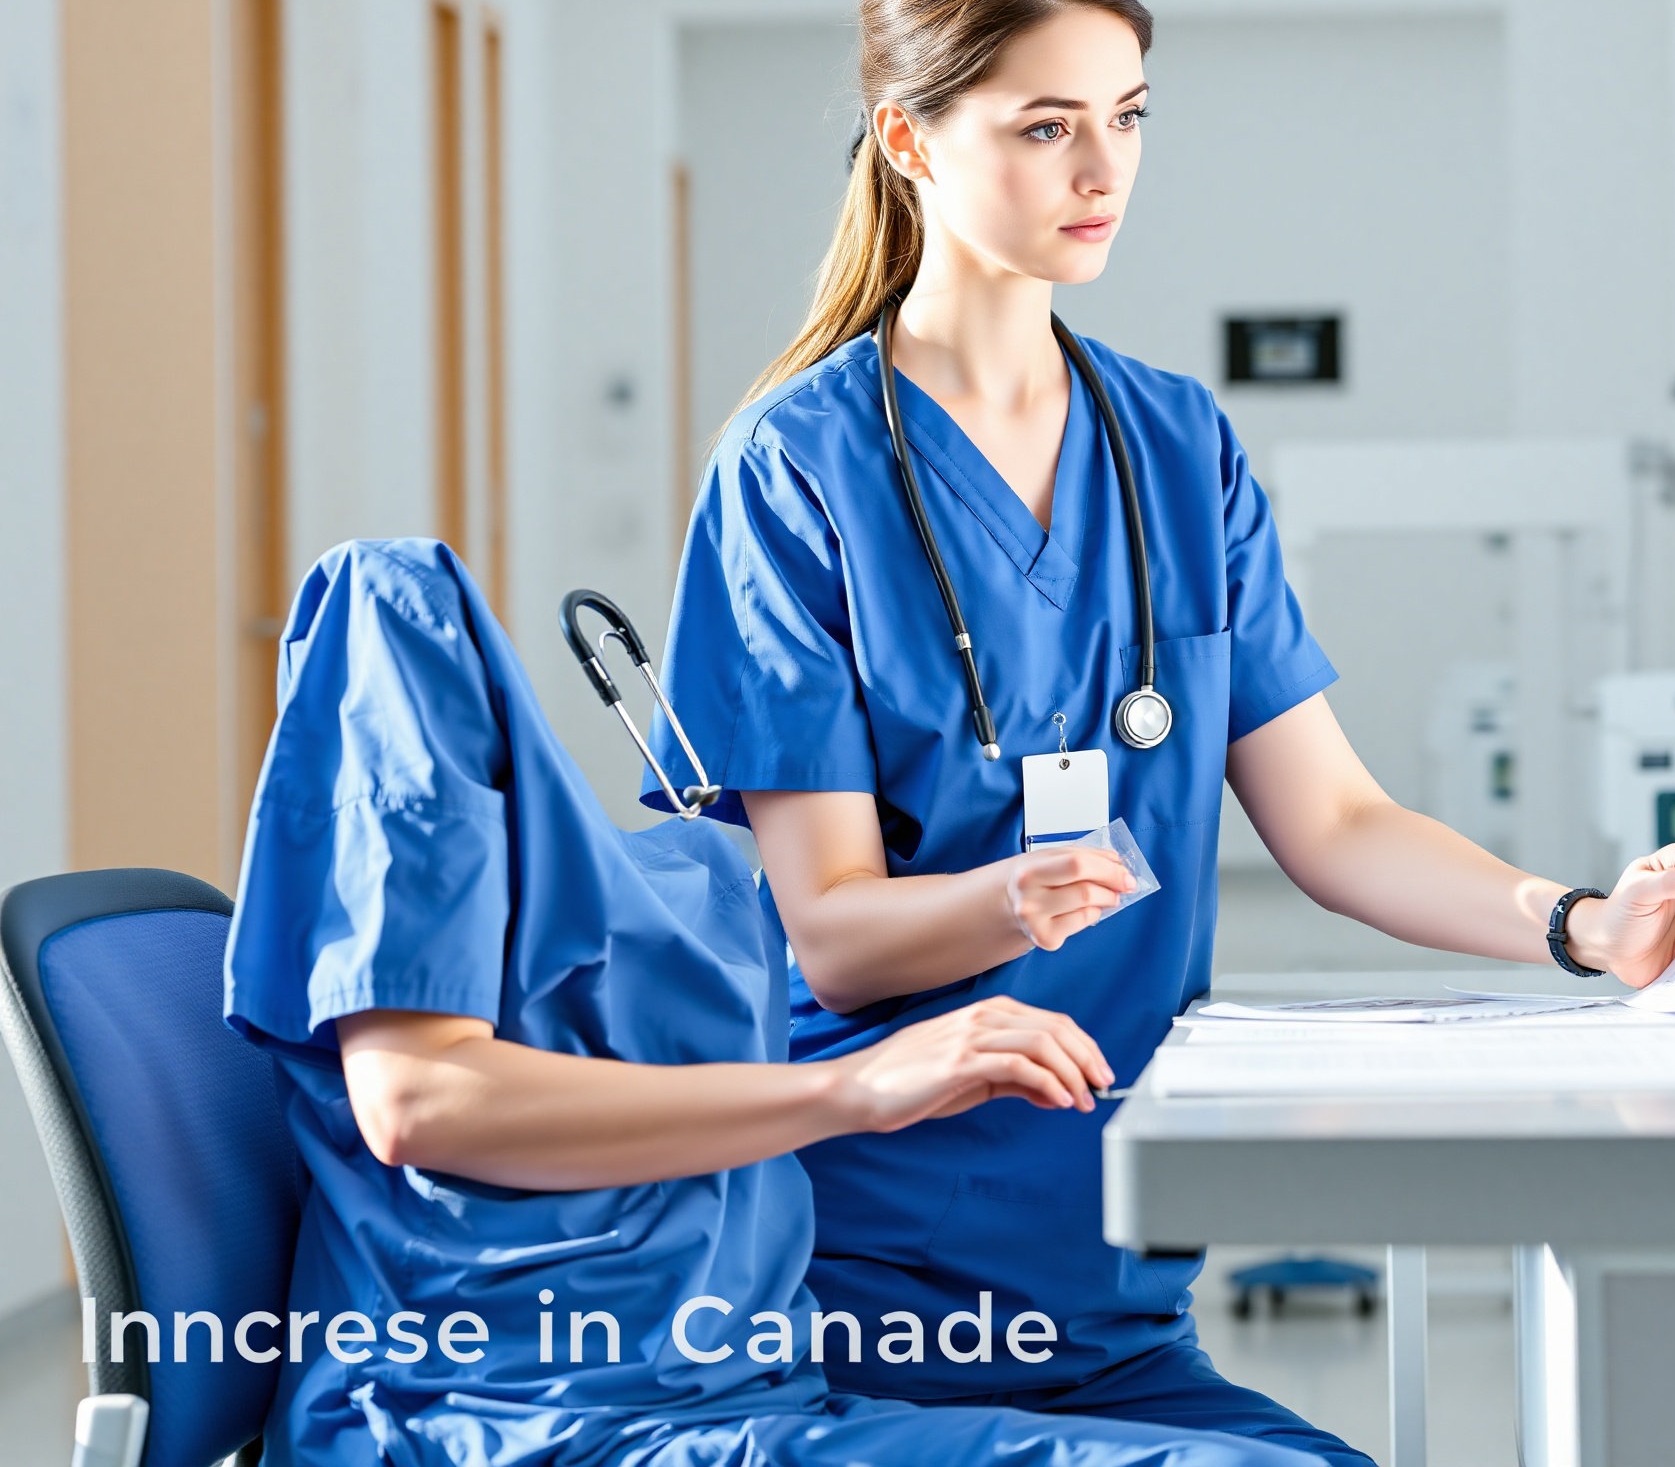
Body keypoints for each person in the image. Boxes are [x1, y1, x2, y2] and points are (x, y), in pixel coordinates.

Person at [654, 0, 1675, 1458]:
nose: (1101, 173)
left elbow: (1338, 823)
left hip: (1111, 1292)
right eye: (1045, 128)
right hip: (866, 1286)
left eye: (1126, 119)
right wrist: (1014, 899)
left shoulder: (1178, 447)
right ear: (907, 139)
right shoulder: (796, 470)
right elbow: (833, 935)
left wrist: (1579, 926)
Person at [225, 537, 1348, 1467]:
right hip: (520, 1418)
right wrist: (853, 1084)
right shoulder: (393, 629)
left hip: (752, 1390)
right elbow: (418, 1098)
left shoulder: (683, 878)